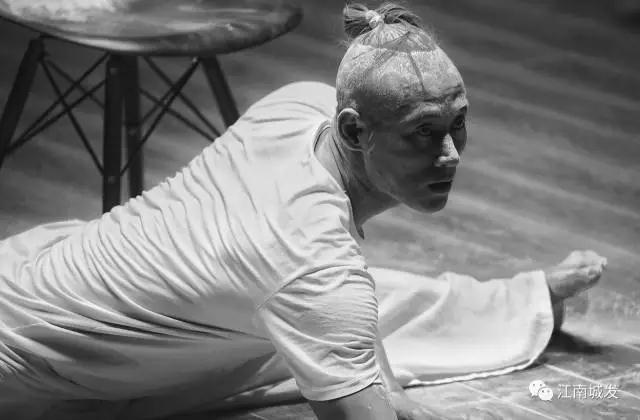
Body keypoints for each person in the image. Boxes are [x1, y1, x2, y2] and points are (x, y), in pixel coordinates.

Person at [0, 2, 607, 420]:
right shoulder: (309, 263)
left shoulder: (303, 104)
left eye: (459, 123)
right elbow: (320, 286)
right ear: (353, 129)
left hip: (40, 269)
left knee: (354, 303)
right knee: (335, 308)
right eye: (424, 132)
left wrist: (384, 387)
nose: (450, 154)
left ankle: (523, 302)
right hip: (29, 370)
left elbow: (326, 280)